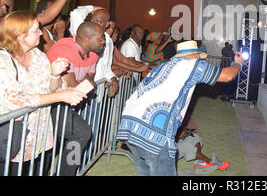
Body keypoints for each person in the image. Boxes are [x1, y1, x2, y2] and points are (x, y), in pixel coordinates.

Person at [116, 40, 245, 176]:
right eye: (198, 56)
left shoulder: (164, 66)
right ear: (194, 55)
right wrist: (239, 63)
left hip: (130, 125)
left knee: (145, 172)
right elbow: (227, 76)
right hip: (154, 131)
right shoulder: (191, 64)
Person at [0, 11, 87, 175]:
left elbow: (52, 87)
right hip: (12, 134)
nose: (41, 32)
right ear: (20, 36)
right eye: (35, 30)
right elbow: (13, 100)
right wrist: (60, 96)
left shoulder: (38, 55)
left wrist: (54, 74)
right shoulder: (2, 60)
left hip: (39, 130)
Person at [46, 21, 106, 175]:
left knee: (73, 136)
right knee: (47, 148)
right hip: (48, 103)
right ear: (87, 39)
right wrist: (84, 84)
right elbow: (69, 84)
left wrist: (84, 83)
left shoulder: (93, 53)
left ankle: (64, 172)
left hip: (64, 102)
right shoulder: (64, 48)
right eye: (101, 38)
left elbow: (90, 78)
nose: (104, 41)